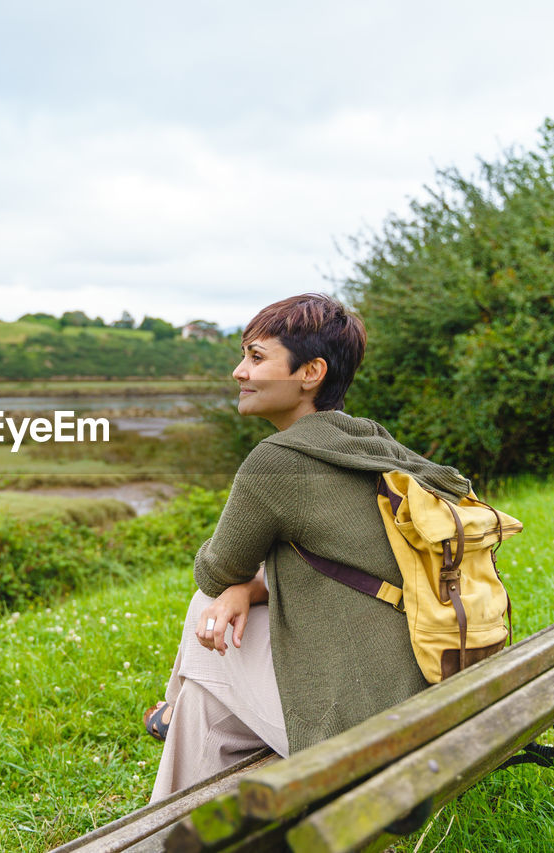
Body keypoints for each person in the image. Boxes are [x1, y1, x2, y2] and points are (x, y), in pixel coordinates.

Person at [145, 292, 472, 802]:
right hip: (430, 690)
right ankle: (178, 760)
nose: (239, 372)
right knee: (205, 708)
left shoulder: (276, 462)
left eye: (256, 357)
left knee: (205, 608)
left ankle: (169, 711)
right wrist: (251, 589)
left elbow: (214, 569)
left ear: (311, 372)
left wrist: (238, 587)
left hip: (362, 732)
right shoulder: (368, 440)